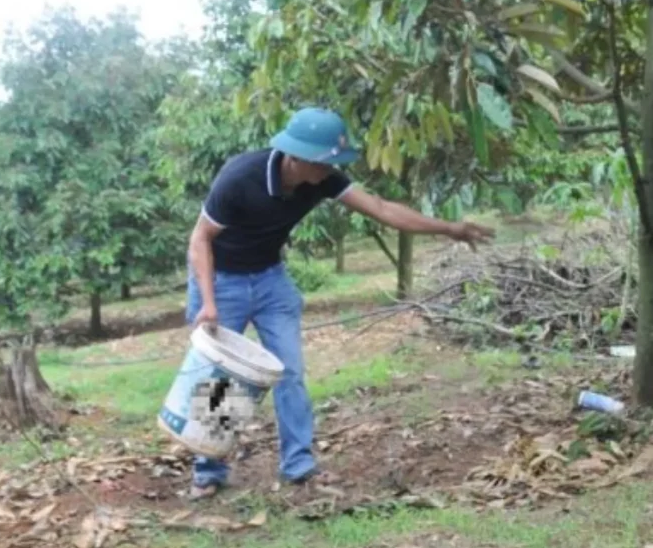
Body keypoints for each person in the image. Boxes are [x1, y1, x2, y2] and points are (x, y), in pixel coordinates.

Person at [184, 107, 495, 498]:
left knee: (289, 371)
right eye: (323, 162)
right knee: (222, 377)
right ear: (295, 158)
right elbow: (200, 239)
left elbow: (382, 209)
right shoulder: (240, 178)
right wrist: (208, 302)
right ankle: (209, 470)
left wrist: (450, 229)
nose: (330, 170)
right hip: (220, 278)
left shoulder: (322, 179)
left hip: (269, 279)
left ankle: (299, 466)